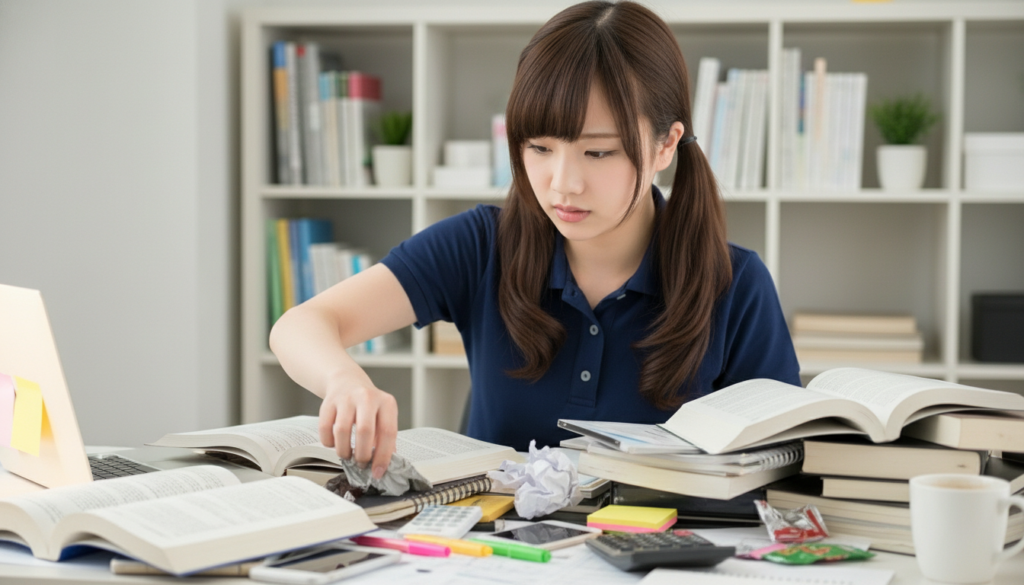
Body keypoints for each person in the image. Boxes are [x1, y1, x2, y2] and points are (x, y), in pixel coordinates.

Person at [269, 0, 800, 480]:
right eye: (540, 147)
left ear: (666, 145)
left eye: (598, 153)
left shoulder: (734, 284)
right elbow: (300, 326)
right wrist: (344, 380)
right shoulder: (482, 245)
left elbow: (782, 466)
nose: (562, 183)